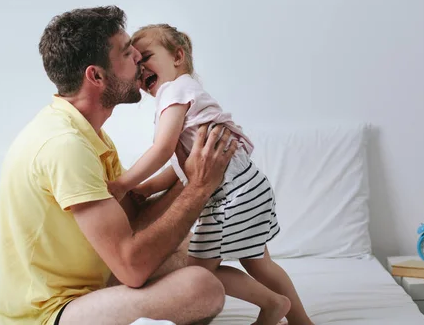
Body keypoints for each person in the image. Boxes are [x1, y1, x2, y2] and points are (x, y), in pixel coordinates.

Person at [0, 6, 240, 325]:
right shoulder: (65, 146)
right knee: (201, 287)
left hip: (93, 284)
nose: (139, 56)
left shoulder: (92, 136)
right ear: (95, 75)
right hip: (46, 314)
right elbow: (132, 270)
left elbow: (134, 222)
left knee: (196, 249)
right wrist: (199, 188)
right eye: (127, 52)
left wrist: (188, 176)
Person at [107, 24, 314, 325]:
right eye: (136, 65)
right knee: (259, 263)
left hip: (230, 194)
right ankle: (301, 321)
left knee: (199, 273)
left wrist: (123, 184)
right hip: (250, 186)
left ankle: (273, 304)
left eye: (147, 57)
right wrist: (148, 187)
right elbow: (181, 167)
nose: (140, 70)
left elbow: (163, 149)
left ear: (177, 56)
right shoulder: (186, 92)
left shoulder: (174, 91)